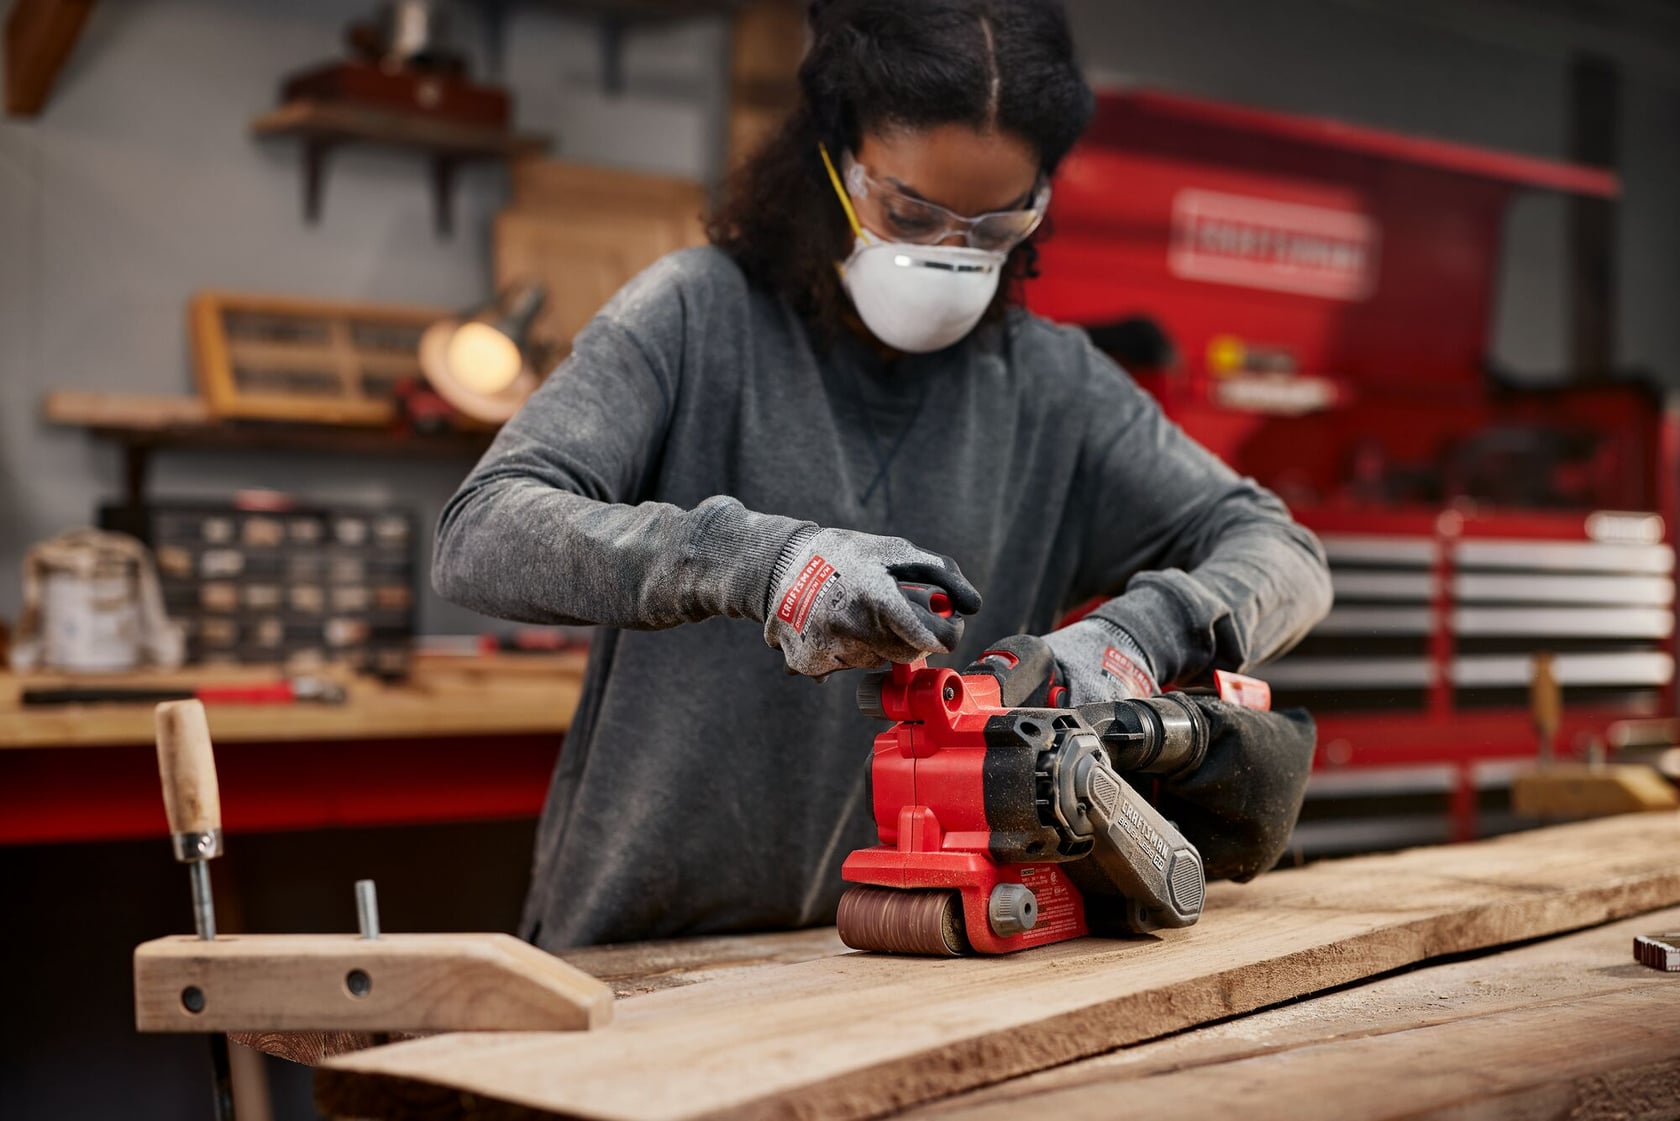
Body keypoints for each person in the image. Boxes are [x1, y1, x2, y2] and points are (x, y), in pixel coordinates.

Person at [434, 0, 1332, 953]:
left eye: (994, 228)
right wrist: (757, 562)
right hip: (643, 958)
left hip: (919, 965)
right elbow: (481, 531)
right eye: (910, 211)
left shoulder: (1054, 389)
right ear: (833, 160)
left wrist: (1137, 636)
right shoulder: (698, 317)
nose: (950, 254)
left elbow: (1287, 552)